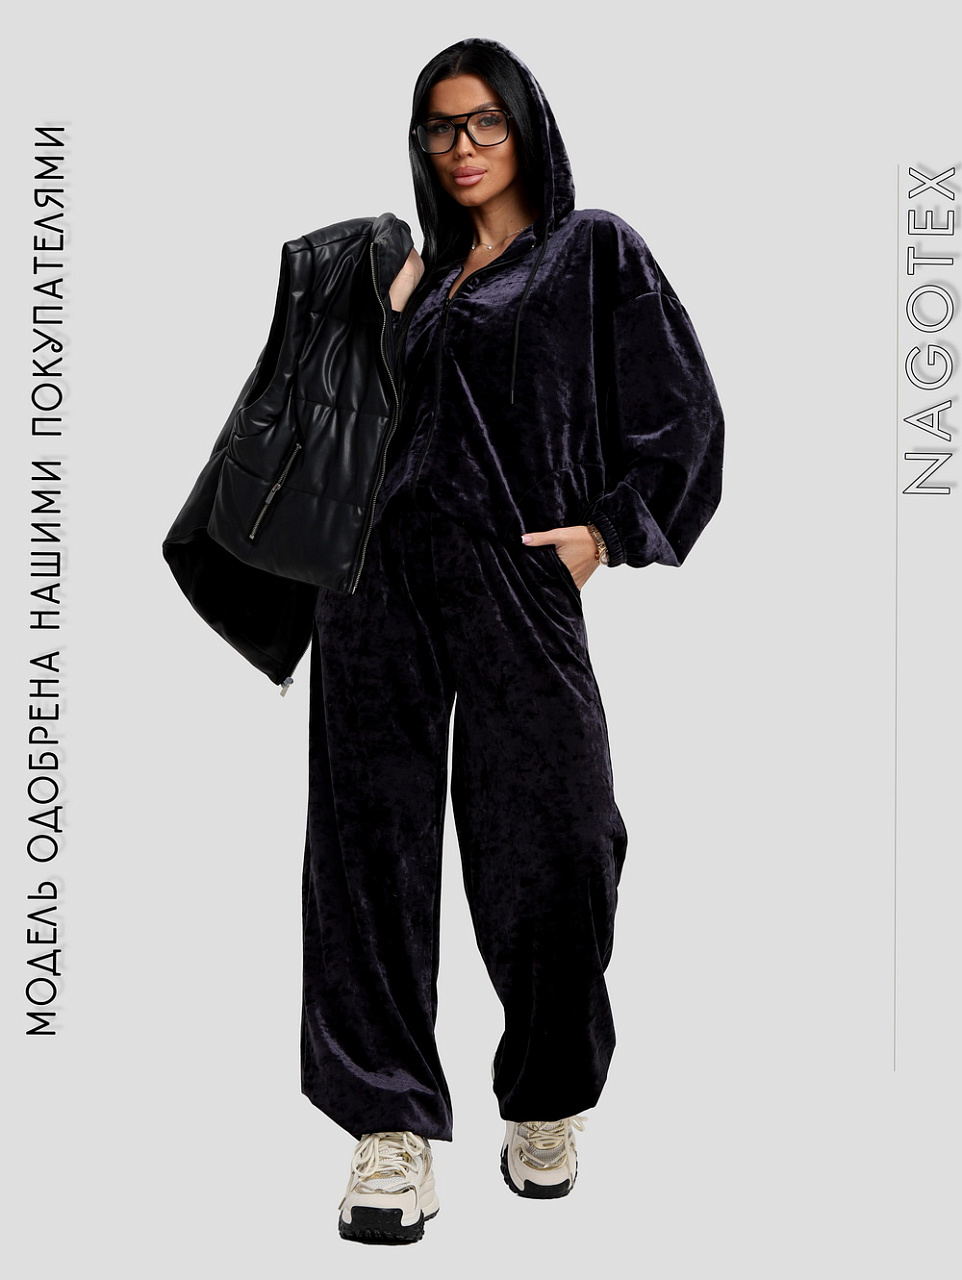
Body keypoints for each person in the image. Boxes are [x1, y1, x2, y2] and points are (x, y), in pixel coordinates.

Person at [298, 37, 725, 1244]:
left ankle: (543, 1094)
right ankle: (386, 1125)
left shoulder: (591, 252)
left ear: (525, 126)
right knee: (366, 850)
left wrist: (608, 532)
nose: (463, 147)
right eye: (440, 127)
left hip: (514, 570)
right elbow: (328, 427)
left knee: (560, 838)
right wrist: (379, 315)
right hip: (373, 578)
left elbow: (685, 417)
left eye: (483, 121)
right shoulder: (410, 273)